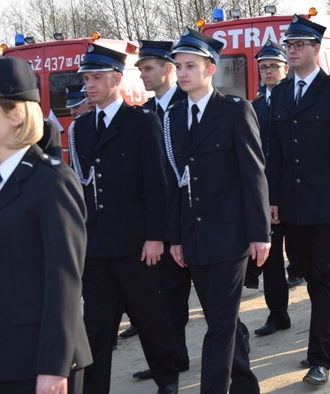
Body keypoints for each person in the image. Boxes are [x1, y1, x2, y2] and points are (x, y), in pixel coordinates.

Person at [0, 56, 91, 394]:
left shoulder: (51, 181)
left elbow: (64, 281)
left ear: (14, 114)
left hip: (38, 362)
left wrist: (53, 367)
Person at [165, 28, 270, 393]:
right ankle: (245, 385)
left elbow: (253, 174)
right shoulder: (174, 116)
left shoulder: (234, 110)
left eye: (190, 66)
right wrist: (175, 238)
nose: (181, 74)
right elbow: (176, 183)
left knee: (220, 324)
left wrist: (260, 234)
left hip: (231, 235)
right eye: (177, 67)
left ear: (210, 69)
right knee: (219, 318)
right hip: (194, 236)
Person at [70, 43, 179, 394]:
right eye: (86, 78)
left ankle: (167, 378)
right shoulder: (80, 128)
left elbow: (157, 184)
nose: (89, 85)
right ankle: (93, 388)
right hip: (97, 245)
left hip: (136, 243)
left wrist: (155, 236)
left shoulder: (140, 122)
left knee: (150, 316)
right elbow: (81, 189)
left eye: (96, 78)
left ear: (116, 79)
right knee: (96, 325)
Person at [266, 15, 330, 386]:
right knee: (306, 273)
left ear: (315, 49)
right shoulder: (281, 93)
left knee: (323, 278)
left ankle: (319, 356)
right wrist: (272, 199)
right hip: (291, 205)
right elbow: (274, 152)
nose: (292, 51)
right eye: (288, 46)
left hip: (326, 204)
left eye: (299, 45)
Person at [131, 40, 191, 381]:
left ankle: (234, 362)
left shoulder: (191, 105)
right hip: (163, 224)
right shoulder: (145, 115)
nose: (142, 76)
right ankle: (172, 360)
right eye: (140, 70)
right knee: (168, 299)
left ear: (168, 68)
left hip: (195, 221)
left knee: (215, 305)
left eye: (148, 68)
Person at [251, 40, 303, 338]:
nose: (268, 71)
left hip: (294, 192)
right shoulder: (254, 106)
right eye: (263, 67)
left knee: (305, 257)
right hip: (265, 194)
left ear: (286, 68)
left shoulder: (294, 101)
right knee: (270, 261)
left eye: (274, 66)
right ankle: (277, 313)